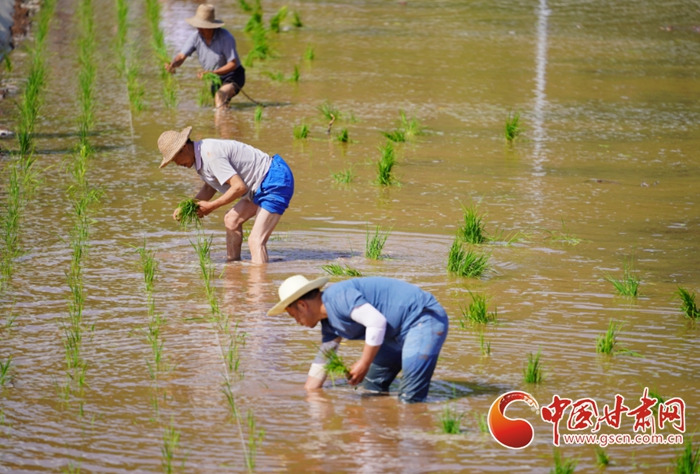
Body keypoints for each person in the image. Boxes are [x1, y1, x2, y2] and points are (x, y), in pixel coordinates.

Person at [267, 275, 449, 403]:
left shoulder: (338, 297)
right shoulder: (329, 323)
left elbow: (376, 322)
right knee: (371, 390)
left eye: (293, 316)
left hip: (422, 319)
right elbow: (323, 361)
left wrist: (364, 362)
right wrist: (310, 397)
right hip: (393, 334)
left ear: (302, 305)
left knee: (410, 399)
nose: (297, 322)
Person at [157, 126, 294, 264]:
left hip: (274, 180)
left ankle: (259, 284)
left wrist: (211, 206)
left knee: (256, 241)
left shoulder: (210, 155)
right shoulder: (201, 156)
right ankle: (233, 267)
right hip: (258, 186)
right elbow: (210, 187)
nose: (177, 164)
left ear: (184, 147)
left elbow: (239, 187)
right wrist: (188, 206)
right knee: (231, 220)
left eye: (175, 158)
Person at [165, 4, 245, 109]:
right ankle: (228, 123)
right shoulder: (195, 37)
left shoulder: (226, 37)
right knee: (221, 105)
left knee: (220, 96)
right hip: (215, 78)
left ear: (211, 26)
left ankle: (222, 123)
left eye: (203, 26)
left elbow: (233, 64)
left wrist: (212, 72)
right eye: (198, 25)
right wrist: (173, 64)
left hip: (233, 76)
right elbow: (181, 57)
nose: (200, 29)